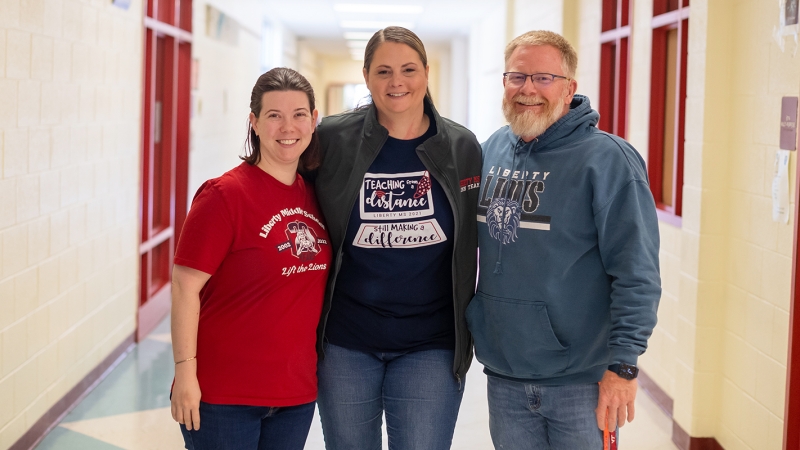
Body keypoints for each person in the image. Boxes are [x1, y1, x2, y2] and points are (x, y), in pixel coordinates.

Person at [466, 30, 661, 449]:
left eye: (544, 78)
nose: (528, 89)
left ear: (570, 87)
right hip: (505, 373)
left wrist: (623, 366)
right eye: (517, 76)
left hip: (582, 381)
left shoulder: (608, 160)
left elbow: (637, 272)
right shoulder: (491, 150)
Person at [311, 26, 482, 450]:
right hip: (347, 340)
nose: (397, 82)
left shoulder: (461, 147)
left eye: (408, 69)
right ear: (366, 76)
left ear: (426, 72)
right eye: (383, 71)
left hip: (432, 343)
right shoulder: (332, 139)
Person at [169, 67, 331, 450]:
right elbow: (183, 288)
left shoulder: (316, 194)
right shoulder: (224, 196)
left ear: (314, 121)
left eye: (299, 115)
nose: (287, 127)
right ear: (254, 123)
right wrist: (185, 375)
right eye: (274, 115)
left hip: (295, 394)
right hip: (224, 396)